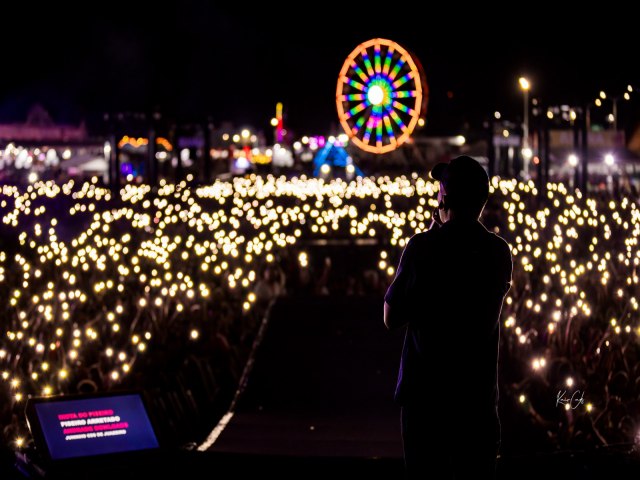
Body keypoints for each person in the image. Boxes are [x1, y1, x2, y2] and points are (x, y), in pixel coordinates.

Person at [383, 155, 513, 479]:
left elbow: (390, 315)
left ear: (444, 197)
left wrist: (430, 239)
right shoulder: (498, 252)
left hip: (425, 401)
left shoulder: (422, 247)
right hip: (476, 400)